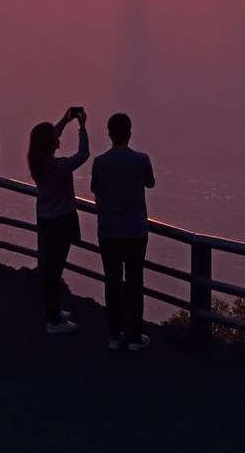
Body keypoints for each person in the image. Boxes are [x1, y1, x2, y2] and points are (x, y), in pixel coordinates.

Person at [90, 112, 155, 351]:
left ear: (109, 133)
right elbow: (150, 182)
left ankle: (114, 335)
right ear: (129, 132)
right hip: (136, 231)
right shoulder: (141, 160)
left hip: (109, 231)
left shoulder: (100, 162)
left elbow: (96, 190)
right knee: (135, 283)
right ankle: (135, 336)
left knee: (112, 282)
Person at [27, 106, 89, 334]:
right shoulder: (59, 167)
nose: (58, 140)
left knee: (49, 268)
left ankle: (53, 310)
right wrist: (82, 127)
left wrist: (64, 120)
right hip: (61, 222)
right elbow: (83, 155)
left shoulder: (37, 162)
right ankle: (53, 320)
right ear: (50, 143)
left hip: (45, 220)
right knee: (54, 271)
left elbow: (47, 138)